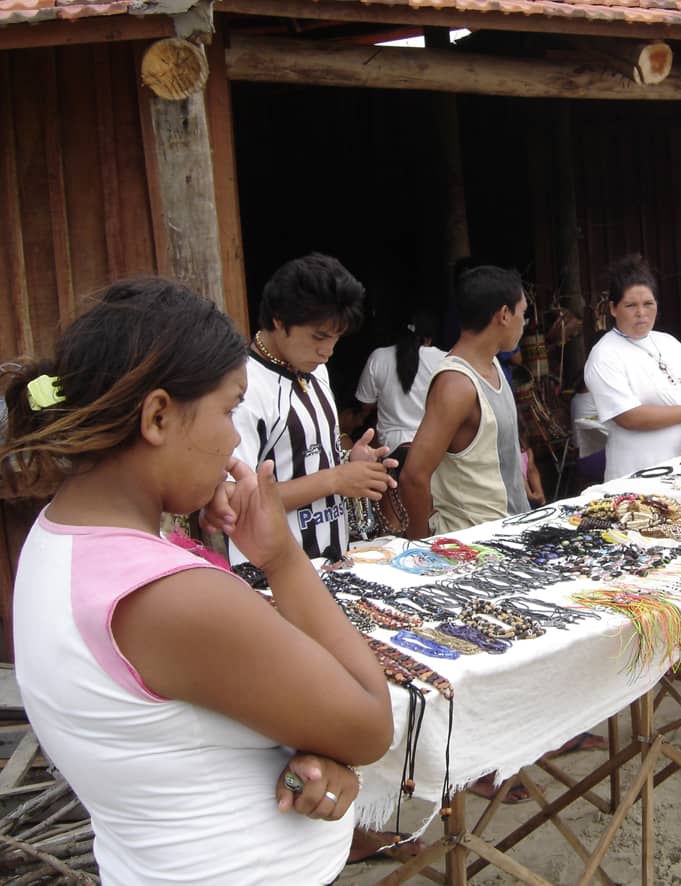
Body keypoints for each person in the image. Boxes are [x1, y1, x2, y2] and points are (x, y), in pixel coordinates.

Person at [0, 279, 393, 882]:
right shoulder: (169, 596)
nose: (236, 438)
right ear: (158, 415)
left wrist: (301, 754)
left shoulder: (57, 536)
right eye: (229, 408)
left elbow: (170, 736)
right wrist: (283, 559)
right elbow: (368, 724)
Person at [225, 254, 396, 565]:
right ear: (278, 319)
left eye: (335, 339)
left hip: (332, 562)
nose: (327, 351)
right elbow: (235, 499)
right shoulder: (242, 388)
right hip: (270, 574)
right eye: (319, 337)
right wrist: (335, 479)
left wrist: (351, 461)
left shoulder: (316, 371)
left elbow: (303, 457)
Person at [400, 265, 531, 539]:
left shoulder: (492, 363)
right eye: (523, 313)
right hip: (475, 544)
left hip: (512, 532)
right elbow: (414, 476)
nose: (524, 323)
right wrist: (423, 547)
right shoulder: (457, 384)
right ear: (504, 315)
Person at [584, 255, 681, 481]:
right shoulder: (604, 355)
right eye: (631, 305)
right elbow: (630, 416)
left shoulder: (669, 342)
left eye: (648, 304)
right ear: (613, 309)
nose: (641, 313)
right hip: (637, 473)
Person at [355, 309, 447, 451]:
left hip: (388, 447)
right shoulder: (445, 360)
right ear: (429, 338)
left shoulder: (379, 357)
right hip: (432, 448)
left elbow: (366, 404)